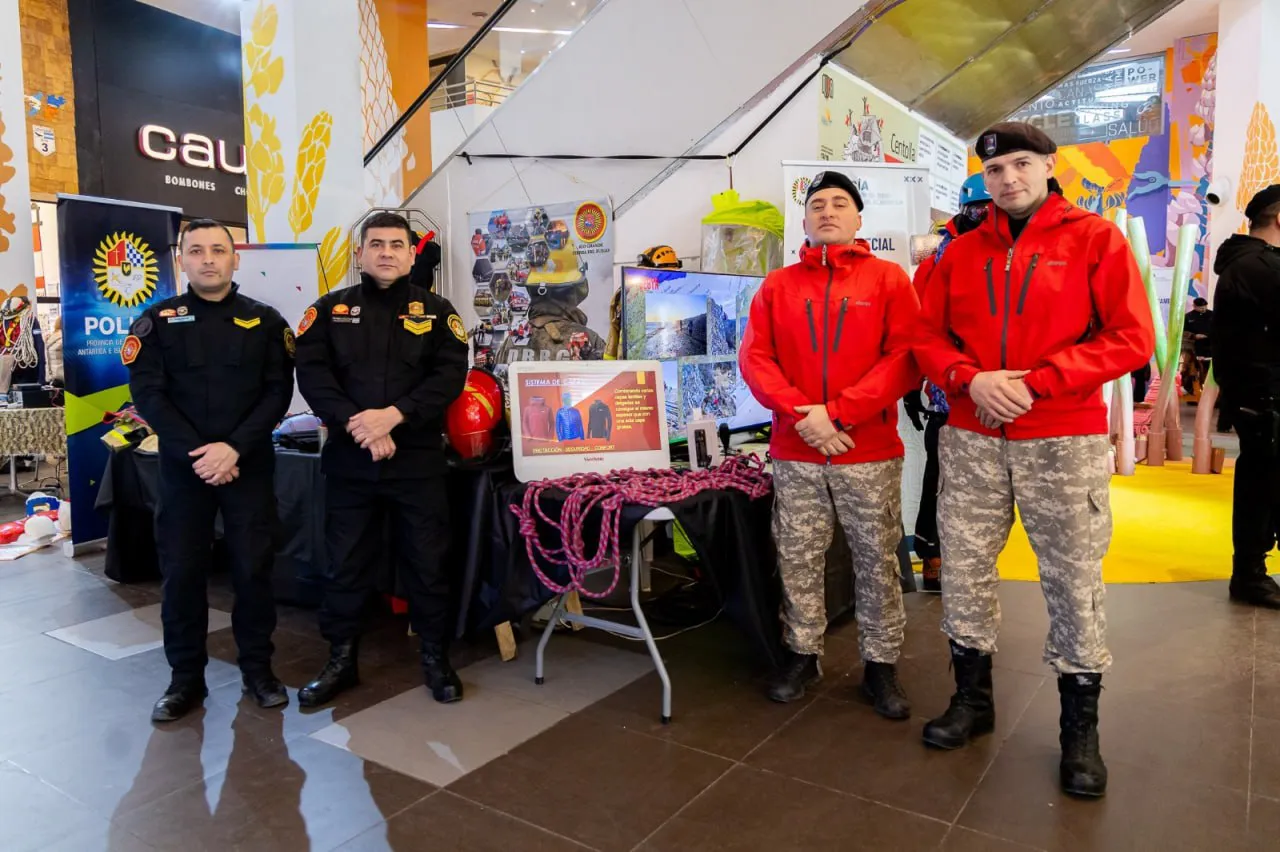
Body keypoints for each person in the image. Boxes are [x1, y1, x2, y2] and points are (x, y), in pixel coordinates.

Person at [913, 122, 1155, 798]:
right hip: (970, 436)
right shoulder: (957, 253)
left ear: (1050, 166)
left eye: (1021, 164)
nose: (1009, 179)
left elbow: (1131, 337)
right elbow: (924, 335)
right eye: (995, 171)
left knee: (1074, 580)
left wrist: (1036, 382)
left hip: (1062, 437)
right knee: (962, 569)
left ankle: (1080, 729)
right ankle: (973, 698)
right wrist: (969, 377)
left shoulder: (1094, 239)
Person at [740, 170, 921, 718]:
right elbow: (756, 359)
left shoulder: (888, 280)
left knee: (876, 560)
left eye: (839, 203)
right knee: (797, 558)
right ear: (805, 220)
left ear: (859, 218)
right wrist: (804, 417)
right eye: (817, 204)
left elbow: (904, 359)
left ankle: (881, 666)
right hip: (796, 452)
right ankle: (801, 653)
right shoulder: (777, 286)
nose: (827, 211)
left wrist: (838, 414)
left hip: (866, 450)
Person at [294, 211, 469, 706]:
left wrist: (393, 417)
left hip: (415, 460)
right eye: (377, 244)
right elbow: (314, 377)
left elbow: (449, 377)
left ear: (413, 253)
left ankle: (436, 657)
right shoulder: (327, 312)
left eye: (397, 244)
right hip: (351, 462)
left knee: (428, 562)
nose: (387, 252)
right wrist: (361, 425)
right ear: (359, 253)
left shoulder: (438, 312)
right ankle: (341, 660)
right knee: (344, 564)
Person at [124, 218, 295, 722]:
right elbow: (148, 396)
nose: (207, 259)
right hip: (183, 470)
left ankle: (259, 672)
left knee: (253, 570)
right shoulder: (154, 322)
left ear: (234, 258)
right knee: (182, 574)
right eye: (195, 250)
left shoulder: (266, 322)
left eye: (217, 250)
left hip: (248, 467)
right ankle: (184, 681)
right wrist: (202, 452)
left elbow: (276, 394)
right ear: (181, 259)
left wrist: (233, 449)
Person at [904, 174, 993, 592]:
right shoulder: (940, 258)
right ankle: (933, 553)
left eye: (990, 209)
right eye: (978, 209)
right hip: (949, 395)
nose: (985, 216)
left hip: (1006, 395)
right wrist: (911, 381)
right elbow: (918, 325)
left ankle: (972, 558)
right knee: (940, 477)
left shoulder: (1016, 251)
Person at [1210, 184, 1280, 609]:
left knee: (1267, 484)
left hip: (1262, 396)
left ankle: (1252, 573)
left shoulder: (1254, 263)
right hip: (1265, 399)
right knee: (1262, 486)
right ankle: (1250, 575)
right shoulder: (1258, 266)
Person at [1184, 296, 1213, 389]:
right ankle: (1191, 391)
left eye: (1205, 306)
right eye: (1201, 307)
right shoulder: (1188, 316)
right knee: (1190, 369)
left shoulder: (1213, 315)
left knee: (1208, 369)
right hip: (1193, 347)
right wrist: (1194, 336)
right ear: (1194, 306)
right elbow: (1183, 332)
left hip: (1210, 346)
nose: (1203, 308)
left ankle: (1208, 391)